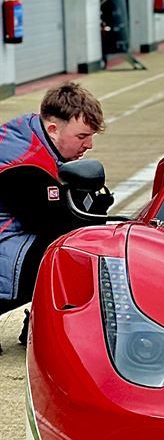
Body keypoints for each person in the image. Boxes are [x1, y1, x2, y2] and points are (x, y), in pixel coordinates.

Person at [0, 82, 112, 344]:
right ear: (52, 128)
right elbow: (55, 225)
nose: (90, 145)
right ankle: (48, 322)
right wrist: (95, 211)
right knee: (75, 249)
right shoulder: (24, 166)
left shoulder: (30, 132)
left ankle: (41, 316)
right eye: (82, 137)